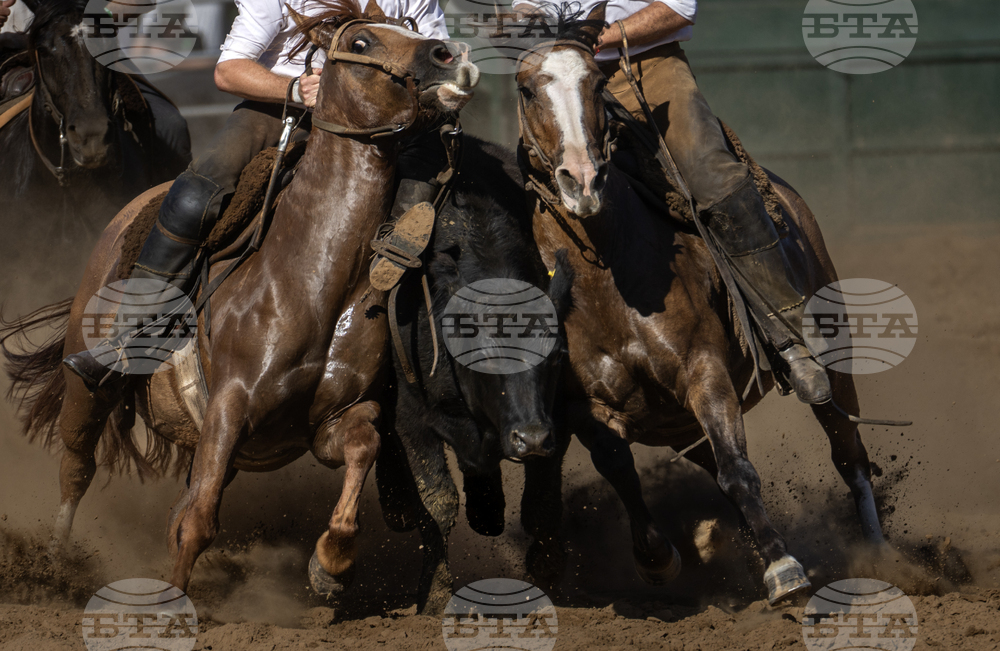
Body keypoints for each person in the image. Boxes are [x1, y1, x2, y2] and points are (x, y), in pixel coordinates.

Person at [63, 0, 449, 391]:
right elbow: (228, 70)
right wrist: (294, 88)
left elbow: (440, 58)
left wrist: (451, 84)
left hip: (391, 121)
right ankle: (130, 331)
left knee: (453, 194)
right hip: (282, 111)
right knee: (197, 192)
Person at [515, 0, 831, 404]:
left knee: (715, 178)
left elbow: (678, 9)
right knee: (517, 196)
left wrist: (594, 38)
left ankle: (789, 337)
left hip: (648, 69)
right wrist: (525, 21)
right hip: (555, 79)